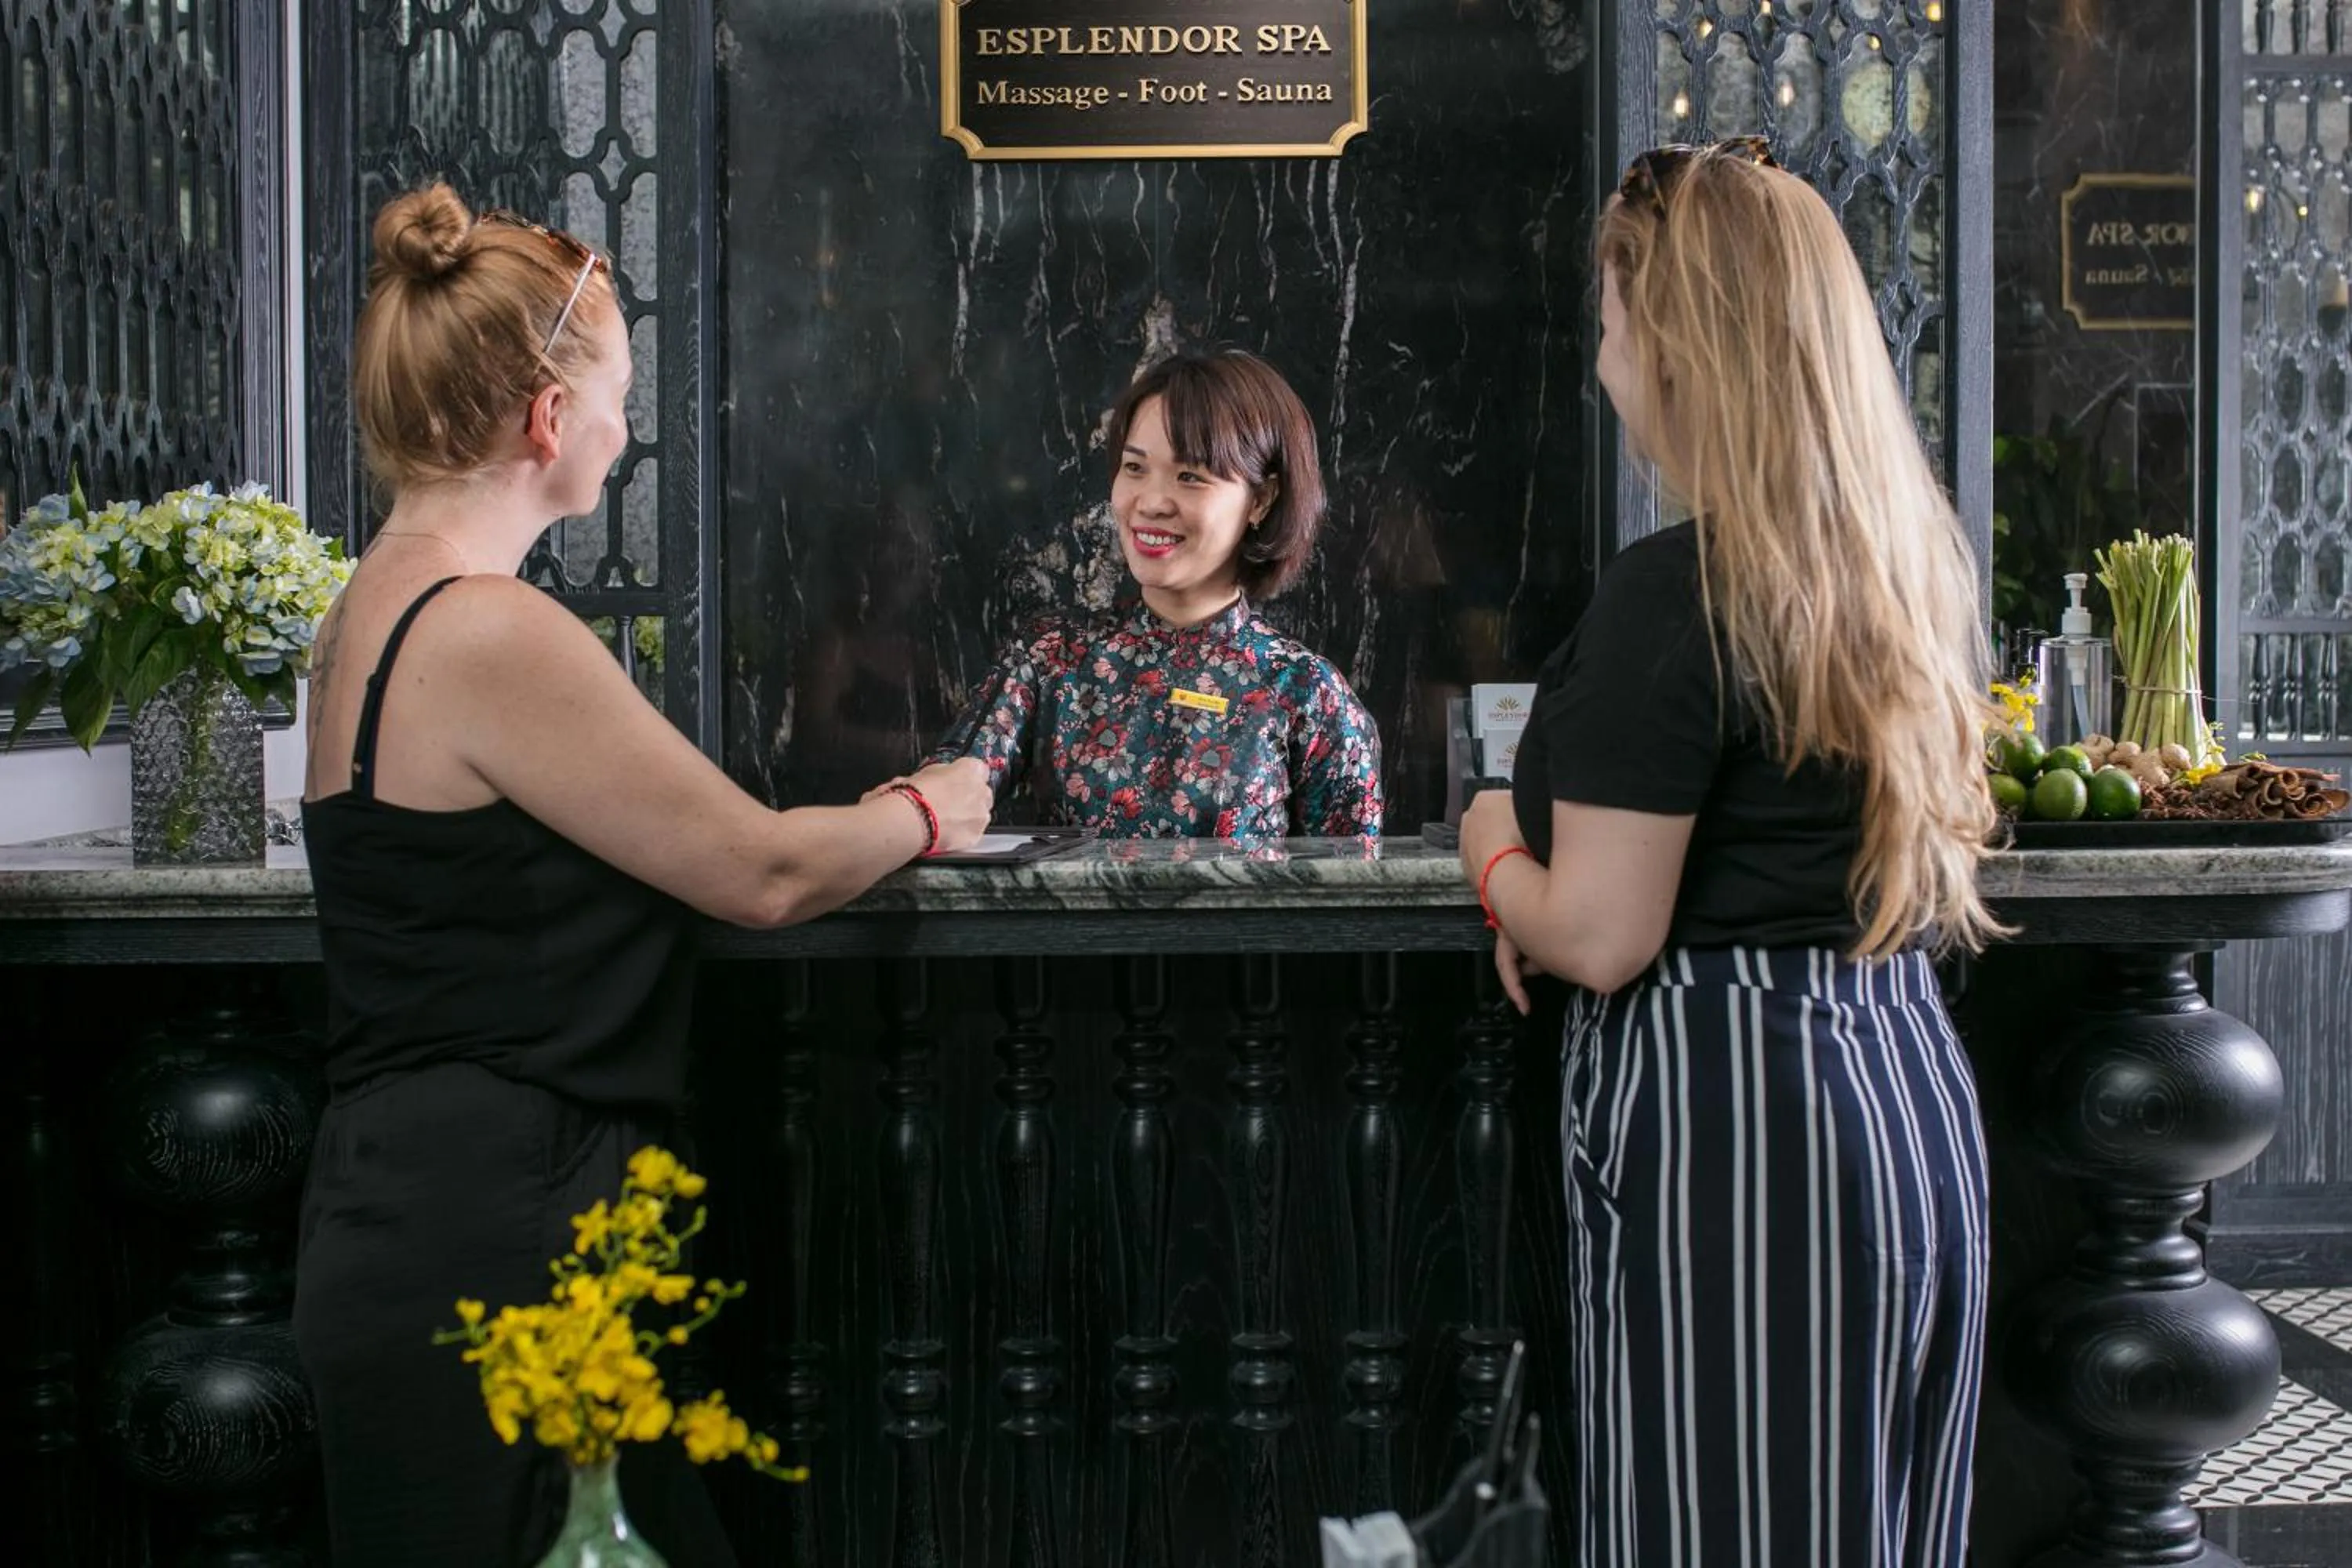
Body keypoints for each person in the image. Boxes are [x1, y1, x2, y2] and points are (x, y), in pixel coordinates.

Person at [295, 183, 993, 1568]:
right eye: (617, 395)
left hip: (412, 1205)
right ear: (548, 420)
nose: (627, 429)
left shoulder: (369, 602)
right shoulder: (488, 626)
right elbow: (764, 870)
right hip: (495, 1238)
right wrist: (931, 805)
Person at [1457, 137, 1998, 1566]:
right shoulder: (1897, 578)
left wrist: (1488, 843)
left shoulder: (1675, 596)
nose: (1606, 363)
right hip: (1898, 1088)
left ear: (1684, 348)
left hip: (1743, 1133)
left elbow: (1601, 931)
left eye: (1615, 324)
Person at [928, 348, 1383, 839]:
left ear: (1262, 499)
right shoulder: (1054, 657)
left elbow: (1348, 900)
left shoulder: (1308, 696)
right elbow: (943, 792)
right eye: (1135, 467)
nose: (1149, 503)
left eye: (1190, 476)